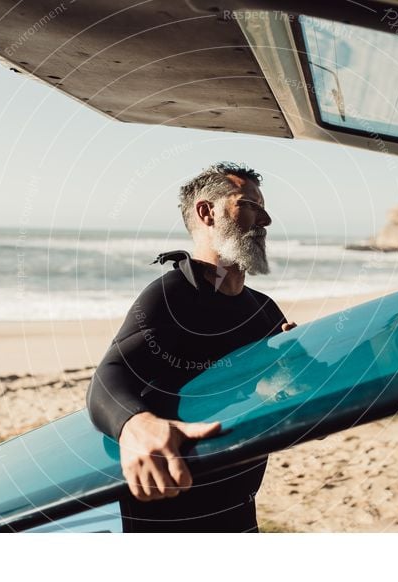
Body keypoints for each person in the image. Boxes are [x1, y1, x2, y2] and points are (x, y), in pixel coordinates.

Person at [86, 162, 296, 532]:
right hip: (168, 514)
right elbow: (109, 378)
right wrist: (136, 426)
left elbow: (276, 398)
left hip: (240, 509)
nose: (265, 220)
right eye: (248, 205)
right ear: (206, 212)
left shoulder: (263, 311)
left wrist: (290, 377)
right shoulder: (172, 296)